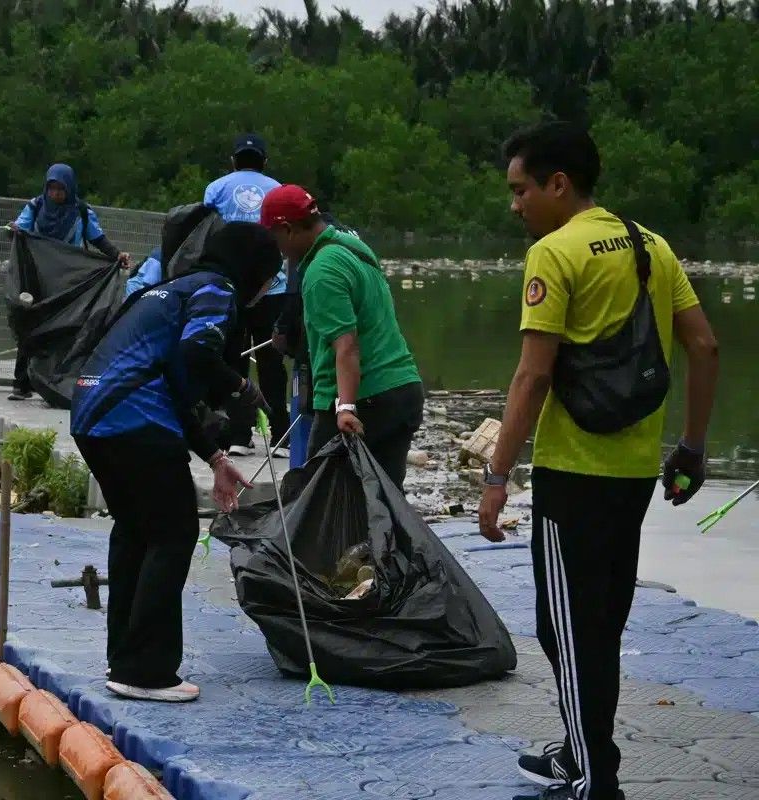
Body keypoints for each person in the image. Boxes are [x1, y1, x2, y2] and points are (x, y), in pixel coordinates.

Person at [476, 122, 719, 800]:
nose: (515, 205)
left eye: (521, 190)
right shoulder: (650, 245)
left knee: (565, 631)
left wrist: (496, 478)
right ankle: (580, 752)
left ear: (559, 184)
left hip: (572, 472)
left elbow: (531, 378)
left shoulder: (555, 254)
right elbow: (704, 347)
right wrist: (693, 448)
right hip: (636, 473)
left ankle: (591, 775)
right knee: (599, 626)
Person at [70, 222, 281, 702]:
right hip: (130, 415)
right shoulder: (217, 289)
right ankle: (147, 672)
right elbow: (197, 351)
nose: (268, 288)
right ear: (252, 270)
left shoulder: (171, 288)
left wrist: (214, 456)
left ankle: (125, 659)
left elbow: (172, 380)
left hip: (91, 412)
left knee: (136, 530)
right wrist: (242, 387)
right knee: (173, 531)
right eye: (269, 276)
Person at [260, 184, 424, 492]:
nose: (276, 247)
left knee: (315, 499)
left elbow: (346, 345)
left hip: (365, 399)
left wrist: (345, 406)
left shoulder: (322, 270)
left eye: (275, 236)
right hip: (403, 390)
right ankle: (389, 542)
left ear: (287, 229)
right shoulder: (353, 246)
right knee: (385, 501)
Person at [8, 163, 129, 401]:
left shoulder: (81, 212)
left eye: (60, 189)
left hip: (69, 284)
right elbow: (19, 232)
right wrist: (13, 231)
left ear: (70, 188)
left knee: (64, 332)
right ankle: (21, 383)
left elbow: (98, 240)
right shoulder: (35, 207)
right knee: (30, 327)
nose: (55, 194)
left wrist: (117, 255)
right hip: (38, 281)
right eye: (51, 188)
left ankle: (55, 383)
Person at [203, 134, 290, 457]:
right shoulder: (278, 189)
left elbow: (206, 233)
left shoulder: (216, 188)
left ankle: (240, 434)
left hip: (231, 289)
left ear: (233, 160)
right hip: (273, 286)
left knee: (234, 361)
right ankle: (282, 436)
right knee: (272, 362)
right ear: (264, 161)